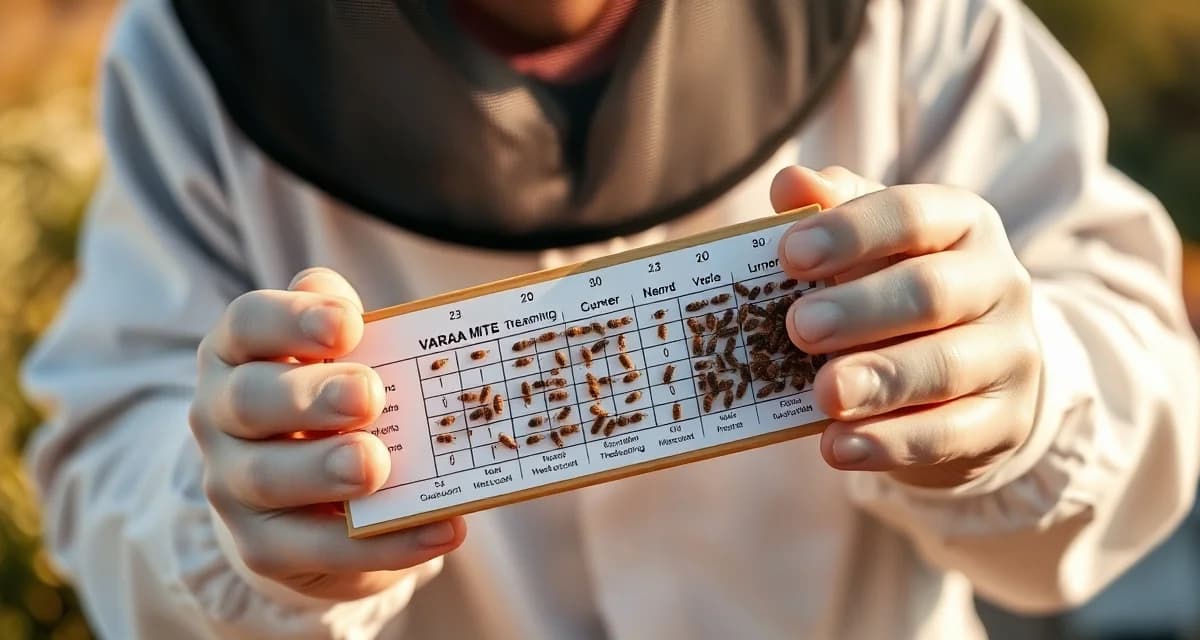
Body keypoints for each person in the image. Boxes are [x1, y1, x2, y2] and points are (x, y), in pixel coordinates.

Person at [22, 0, 1200, 638]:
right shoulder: (196, 46)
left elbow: (1140, 364)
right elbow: (107, 451)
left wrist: (1028, 392)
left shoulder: (915, 19)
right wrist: (235, 526)